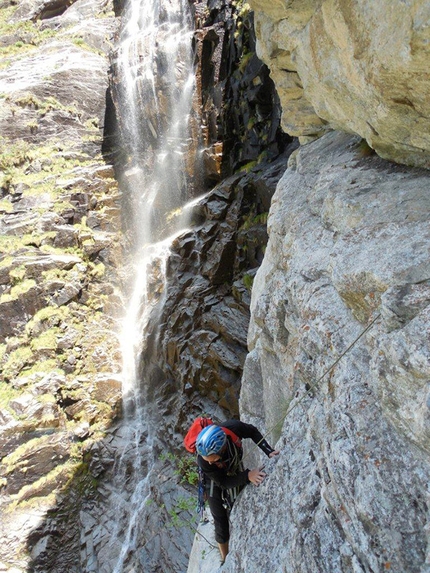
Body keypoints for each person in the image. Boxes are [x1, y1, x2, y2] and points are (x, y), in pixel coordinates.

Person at [196, 419, 280, 565]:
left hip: (232, 465)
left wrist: (269, 451)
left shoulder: (234, 428)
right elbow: (223, 482)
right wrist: (247, 475)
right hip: (213, 480)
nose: (208, 462)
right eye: (206, 459)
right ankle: (224, 559)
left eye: (211, 458)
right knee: (219, 518)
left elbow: (253, 431)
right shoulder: (204, 462)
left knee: (235, 501)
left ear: (221, 448)